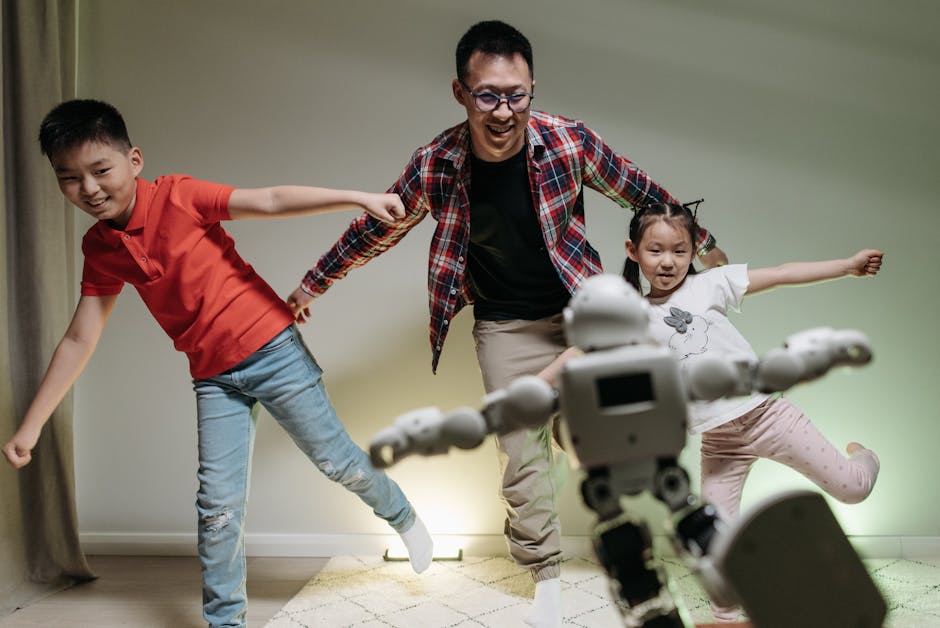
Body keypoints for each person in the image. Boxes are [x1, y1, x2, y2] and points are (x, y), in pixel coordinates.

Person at [287, 20, 727, 628]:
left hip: (582, 317)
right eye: (487, 94)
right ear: (460, 92)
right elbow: (377, 229)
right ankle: (545, 574)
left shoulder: (567, 142)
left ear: (531, 88)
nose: (502, 110)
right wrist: (314, 283)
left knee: (608, 437)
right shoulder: (437, 162)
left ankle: (655, 554)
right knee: (521, 451)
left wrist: (702, 244)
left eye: (516, 94)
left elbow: (640, 189)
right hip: (504, 326)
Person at [1, 99, 433, 628]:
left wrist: (358, 198)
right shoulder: (100, 248)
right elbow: (79, 337)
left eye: (100, 170)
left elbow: (270, 200)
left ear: (133, 160)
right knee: (217, 506)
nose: (88, 189)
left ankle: (403, 516)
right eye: (69, 178)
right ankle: (225, 621)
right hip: (213, 377)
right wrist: (31, 425)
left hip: (274, 350)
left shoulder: (179, 196)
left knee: (337, 460)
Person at [620, 201, 881, 623]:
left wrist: (847, 265)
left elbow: (780, 274)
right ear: (633, 251)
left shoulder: (710, 285)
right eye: (655, 250)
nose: (668, 262)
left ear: (691, 252)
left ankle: (863, 454)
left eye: (680, 251)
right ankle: (729, 620)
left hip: (767, 417)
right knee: (717, 555)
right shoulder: (632, 317)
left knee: (854, 488)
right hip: (719, 442)